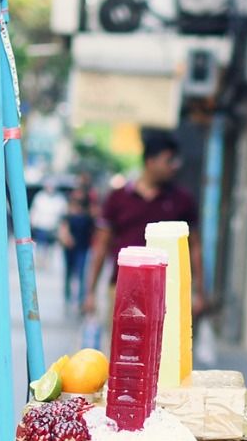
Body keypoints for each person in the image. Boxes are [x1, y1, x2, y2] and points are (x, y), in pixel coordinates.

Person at [82, 129, 205, 320]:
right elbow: (101, 245)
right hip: (123, 289)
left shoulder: (182, 200)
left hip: (169, 294)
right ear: (150, 161)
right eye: (169, 161)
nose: (174, 167)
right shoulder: (118, 197)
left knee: (166, 350)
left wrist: (198, 293)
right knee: (124, 347)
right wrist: (90, 292)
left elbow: (195, 247)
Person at [58, 187, 96, 309]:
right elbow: (63, 228)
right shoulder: (68, 215)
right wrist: (66, 237)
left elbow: (94, 230)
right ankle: (68, 297)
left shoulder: (88, 215)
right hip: (70, 248)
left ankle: (80, 299)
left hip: (83, 247)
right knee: (69, 273)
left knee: (81, 273)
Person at [30, 184, 67, 267]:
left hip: (52, 227)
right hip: (41, 225)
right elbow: (34, 210)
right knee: (40, 244)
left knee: (50, 246)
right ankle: (39, 261)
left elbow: (63, 213)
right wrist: (32, 222)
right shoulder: (39, 197)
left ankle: (47, 262)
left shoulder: (60, 199)